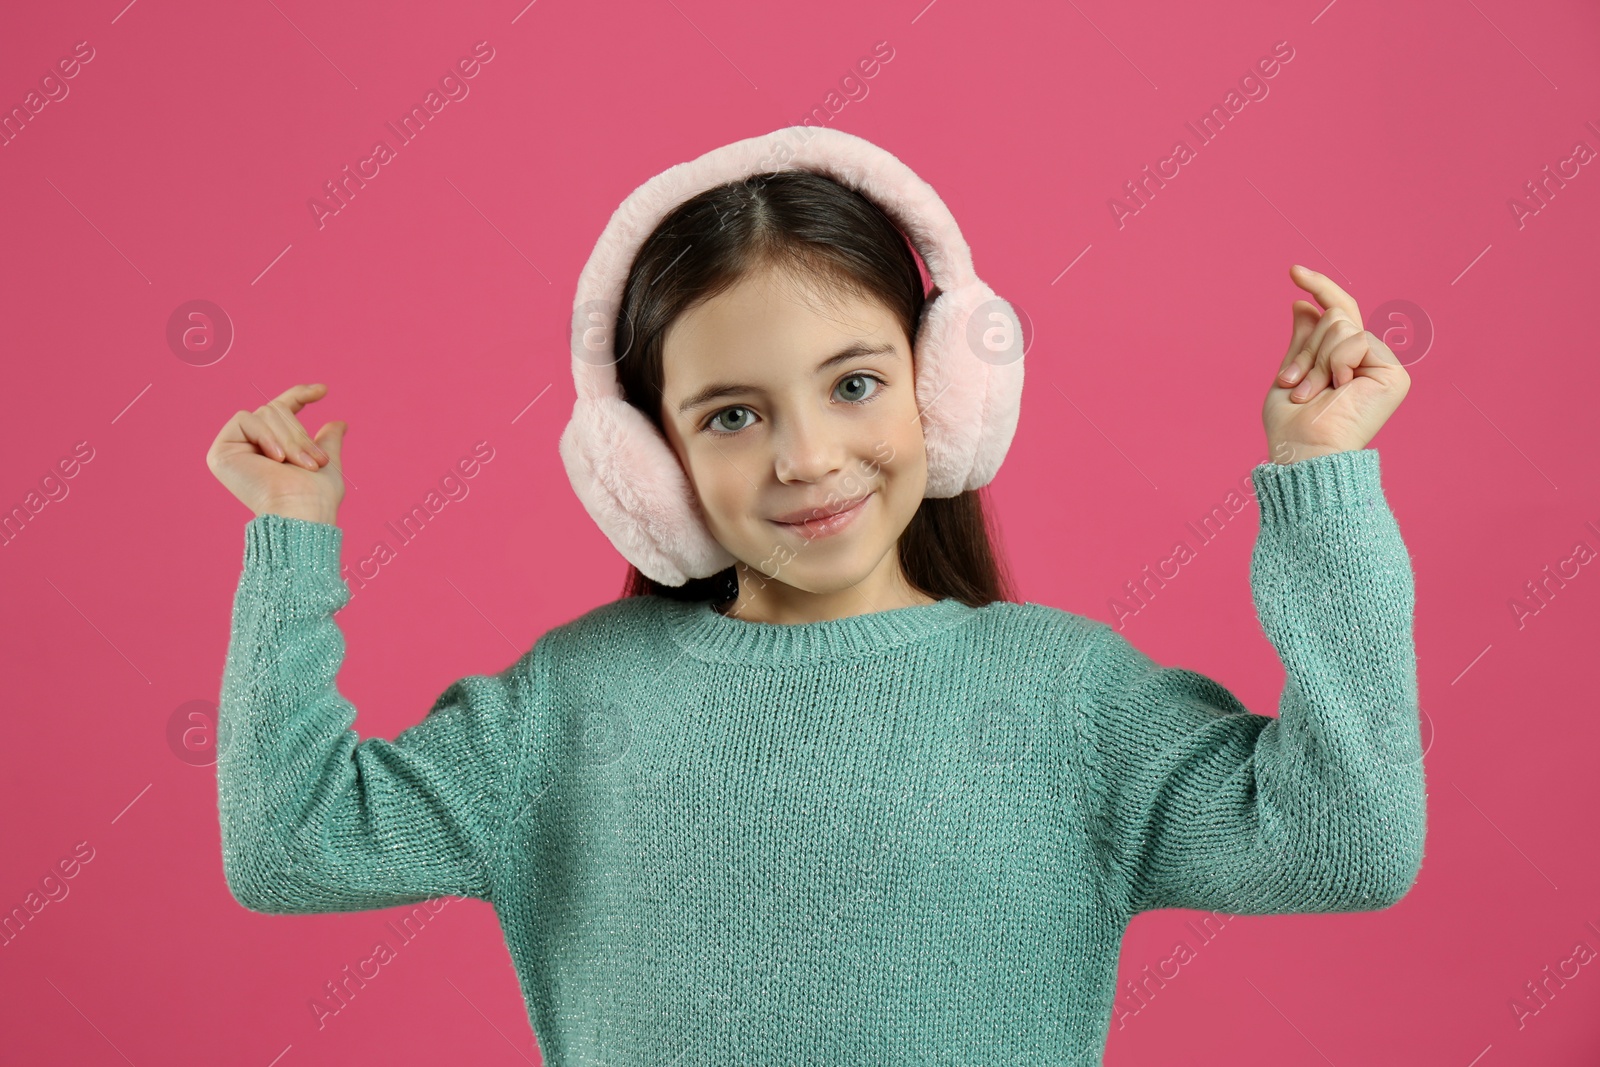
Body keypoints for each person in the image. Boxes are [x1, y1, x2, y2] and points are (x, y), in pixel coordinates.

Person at [205, 126, 1426, 1064]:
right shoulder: (569, 702)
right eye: (732, 415)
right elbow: (291, 844)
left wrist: (1323, 484)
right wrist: (290, 548)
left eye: (852, 383)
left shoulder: (1066, 697)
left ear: (944, 390)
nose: (804, 458)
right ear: (647, 464)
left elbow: (1349, 840)